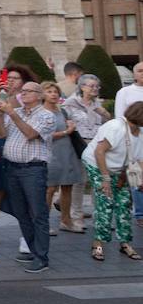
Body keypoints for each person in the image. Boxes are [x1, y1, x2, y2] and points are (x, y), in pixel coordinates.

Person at [0, 80, 56, 272]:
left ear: (39, 95)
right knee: (21, 213)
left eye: (29, 91)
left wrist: (12, 113)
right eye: (22, 91)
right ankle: (33, 249)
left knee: (38, 213)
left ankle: (42, 257)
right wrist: (0, 114)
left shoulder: (46, 116)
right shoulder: (18, 113)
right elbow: (1, 133)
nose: (23, 94)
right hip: (13, 168)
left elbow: (30, 134)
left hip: (33, 169)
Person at [81, 101, 142, 262]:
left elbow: (137, 160)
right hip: (97, 164)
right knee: (105, 204)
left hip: (119, 169)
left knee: (124, 204)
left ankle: (125, 243)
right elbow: (99, 152)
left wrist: (138, 180)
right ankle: (98, 244)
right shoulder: (115, 127)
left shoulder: (140, 133)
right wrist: (105, 179)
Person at [0, 63, 36, 248]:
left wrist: (9, 95)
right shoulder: (2, 95)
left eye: (15, 79)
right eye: (9, 78)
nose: (11, 81)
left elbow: (11, 108)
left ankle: (26, 235)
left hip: (18, 149)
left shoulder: (24, 98)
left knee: (22, 194)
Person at [63, 74, 110, 222]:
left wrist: (105, 114)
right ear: (82, 87)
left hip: (97, 144)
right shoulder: (71, 103)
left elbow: (108, 123)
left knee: (98, 179)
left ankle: (100, 216)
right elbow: (64, 121)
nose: (95, 89)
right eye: (92, 86)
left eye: (97, 86)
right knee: (79, 180)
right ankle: (76, 215)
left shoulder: (98, 104)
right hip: (79, 143)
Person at [43, 82, 84, 234]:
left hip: (67, 152)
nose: (53, 94)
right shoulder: (41, 112)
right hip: (51, 154)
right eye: (49, 91)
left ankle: (66, 220)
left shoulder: (63, 111)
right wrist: (67, 131)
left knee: (67, 187)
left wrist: (70, 127)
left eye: (56, 92)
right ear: (43, 94)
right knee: (50, 189)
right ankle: (44, 223)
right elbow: (43, 135)